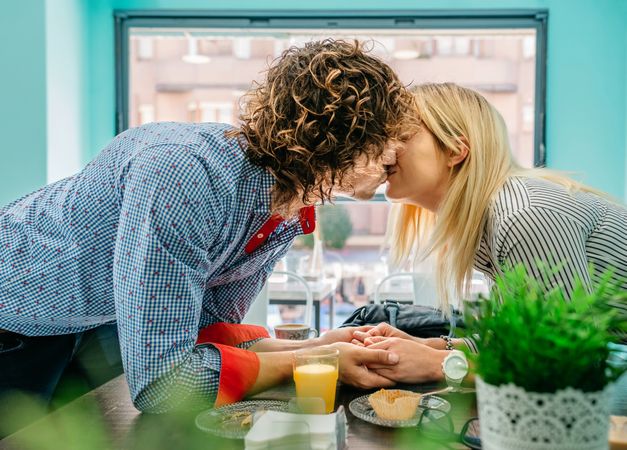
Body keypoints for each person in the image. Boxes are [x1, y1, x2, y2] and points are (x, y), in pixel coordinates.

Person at [0, 39, 418, 417]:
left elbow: (211, 335)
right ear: (343, 138)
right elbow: (163, 384)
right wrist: (315, 361)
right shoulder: (182, 176)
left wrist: (321, 346)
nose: (400, 151)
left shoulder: (284, 212)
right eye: (391, 138)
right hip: (15, 312)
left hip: (94, 319)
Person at [351, 82, 627, 391]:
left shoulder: (524, 216)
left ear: (455, 151)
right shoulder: (495, 217)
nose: (385, 149)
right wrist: (430, 346)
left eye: (400, 136)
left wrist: (437, 365)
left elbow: (569, 361)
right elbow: (523, 343)